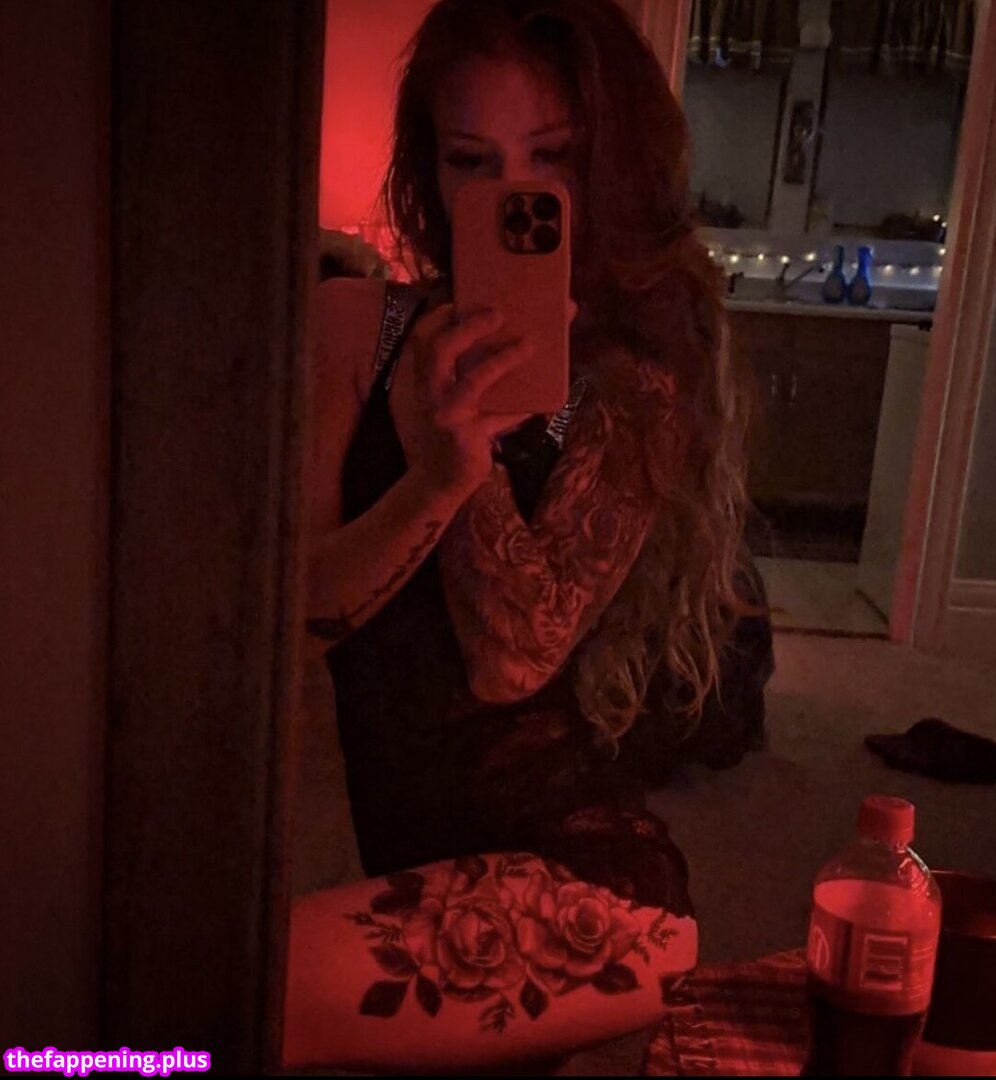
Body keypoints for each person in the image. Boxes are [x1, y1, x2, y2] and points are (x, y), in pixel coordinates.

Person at [284, 1, 766, 1071]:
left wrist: (464, 467)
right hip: (408, 851)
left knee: (225, 997)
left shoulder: (641, 379)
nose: (516, 195)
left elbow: (514, 658)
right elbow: (303, 611)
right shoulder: (352, 329)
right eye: (472, 159)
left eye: (555, 157)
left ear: (615, 164)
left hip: (588, 880)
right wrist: (427, 477)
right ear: (430, 170)